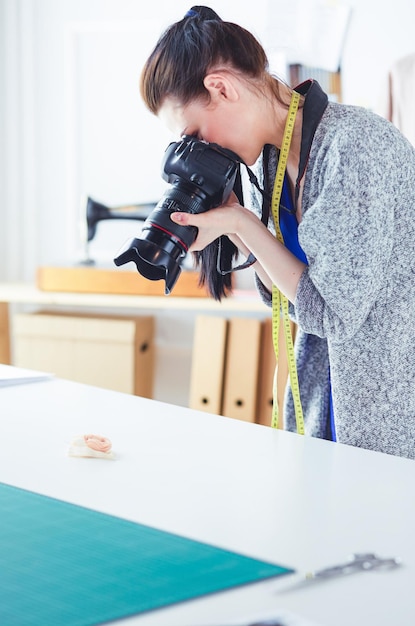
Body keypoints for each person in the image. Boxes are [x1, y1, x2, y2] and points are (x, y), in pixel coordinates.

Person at [140, 6, 415, 459]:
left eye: (194, 135)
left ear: (221, 87)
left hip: (390, 423)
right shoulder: (270, 162)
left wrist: (241, 224)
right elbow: (286, 299)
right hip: (324, 409)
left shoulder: (355, 148)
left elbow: (332, 315)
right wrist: (236, 224)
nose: (197, 152)